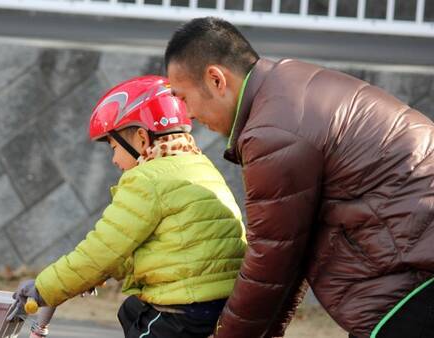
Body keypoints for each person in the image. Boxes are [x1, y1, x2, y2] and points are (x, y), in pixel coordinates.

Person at [164, 16, 434, 338]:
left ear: (216, 80)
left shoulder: (273, 131)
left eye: (182, 98)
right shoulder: (287, 89)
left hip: (416, 272)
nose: (187, 114)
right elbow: (286, 253)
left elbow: (271, 260)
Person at [10, 75, 247, 338]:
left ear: (142, 139)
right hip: (220, 303)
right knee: (131, 311)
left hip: (181, 310)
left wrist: (43, 290)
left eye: (113, 147)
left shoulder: (146, 179)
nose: (113, 160)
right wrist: (98, 274)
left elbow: (101, 250)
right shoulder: (198, 166)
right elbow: (155, 246)